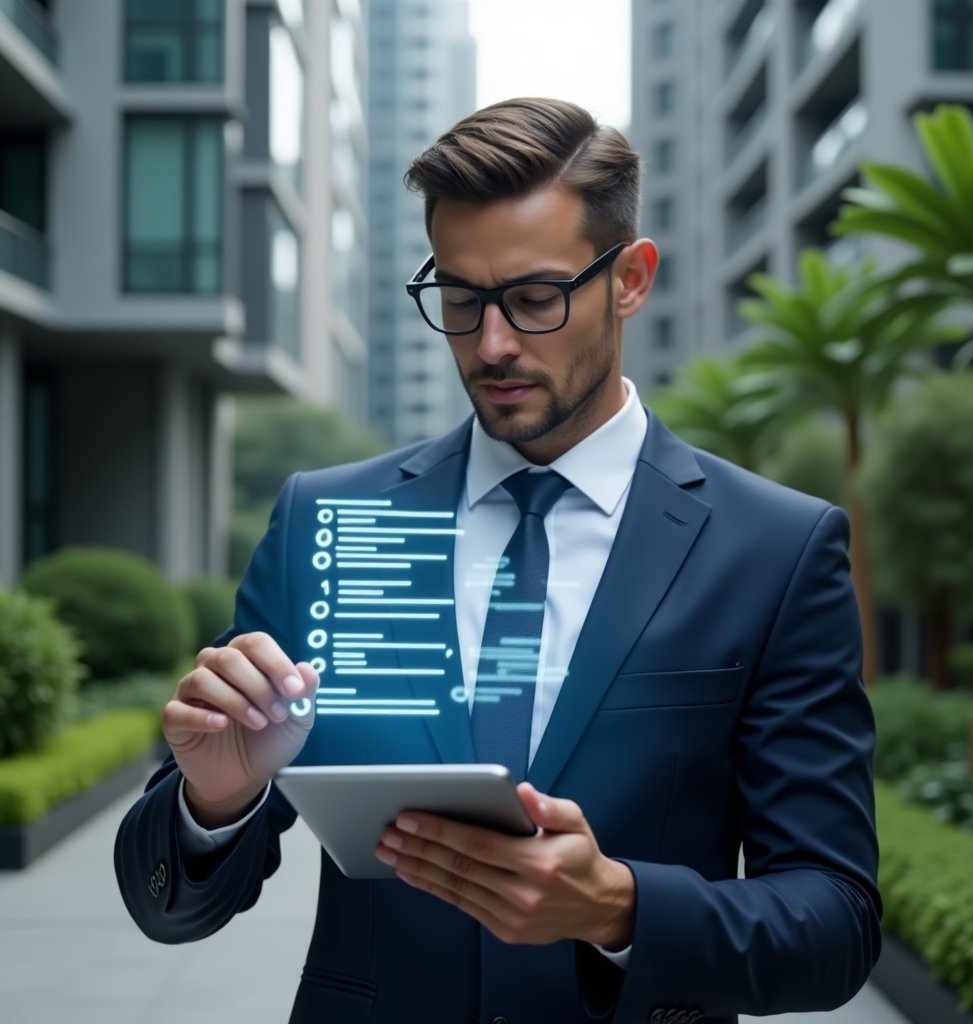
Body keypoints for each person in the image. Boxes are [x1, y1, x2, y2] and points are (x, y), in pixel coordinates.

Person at [115, 97, 881, 1024]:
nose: (492, 344)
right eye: (460, 298)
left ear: (631, 279)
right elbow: (171, 908)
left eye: (535, 298)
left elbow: (835, 923)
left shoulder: (775, 549)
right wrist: (213, 800)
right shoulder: (331, 521)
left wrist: (618, 906)